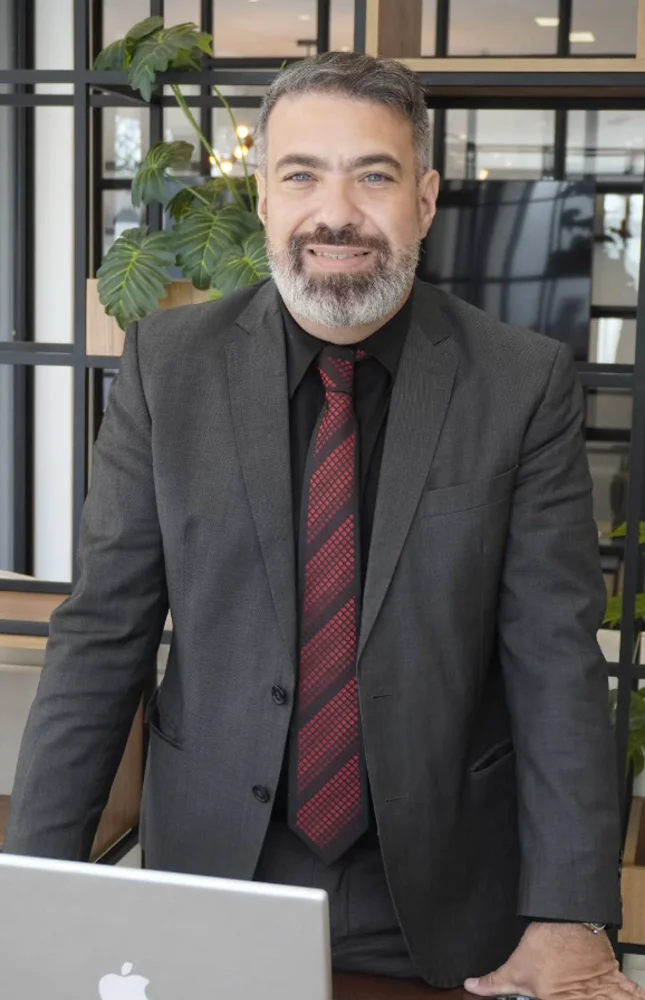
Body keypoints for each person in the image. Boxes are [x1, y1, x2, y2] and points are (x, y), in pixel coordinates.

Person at [3, 52, 637, 997]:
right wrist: (31, 898)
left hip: (442, 898)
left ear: (424, 199)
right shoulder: (168, 368)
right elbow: (101, 639)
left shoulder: (520, 382)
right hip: (215, 877)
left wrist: (569, 916)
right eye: (301, 175)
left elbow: (554, 661)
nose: (335, 214)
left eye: (372, 176)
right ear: (263, 197)